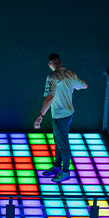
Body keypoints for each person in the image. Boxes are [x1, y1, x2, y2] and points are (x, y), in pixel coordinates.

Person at [33, 53, 88, 183]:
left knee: (63, 145)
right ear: (60, 62)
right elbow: (84, 85)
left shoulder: (52, 77)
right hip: (68, 113)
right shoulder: (71, 74)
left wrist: (40, 116)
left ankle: (66, 172)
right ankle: (58, 166)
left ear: (49, 65)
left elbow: (49, 98)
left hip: (60, 115)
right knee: (58, 142)